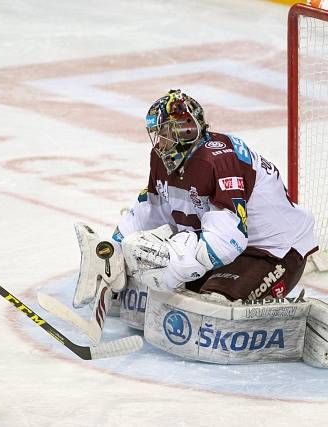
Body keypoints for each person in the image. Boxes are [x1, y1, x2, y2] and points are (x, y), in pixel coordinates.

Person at [111, 89, 318, 301]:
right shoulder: (161, 158)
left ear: (185, 130)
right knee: (161, 290)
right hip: (228, 249)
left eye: (163, 132)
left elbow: (229, 239)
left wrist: (177, 264)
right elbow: (152, 209)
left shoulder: (218, 158)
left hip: (273, 251)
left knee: (216, 303)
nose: (159, 141)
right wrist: (114, 247)